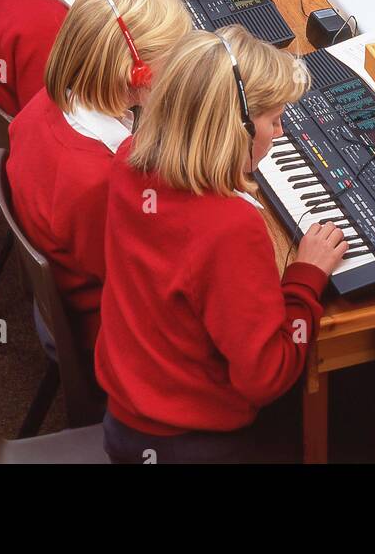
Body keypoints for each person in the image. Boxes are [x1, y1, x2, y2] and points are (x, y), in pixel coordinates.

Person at [94, 25, 347, 463]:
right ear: (237, 127)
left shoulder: (128, 160)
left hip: (126, 419)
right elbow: (265, 376)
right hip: (193, 442)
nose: (281, 133)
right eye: (273, 120)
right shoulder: (230, 229)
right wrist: (305, 281)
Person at [7, 0, 192, 349]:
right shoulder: (101, 177)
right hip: (108, 332)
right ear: (138, 75)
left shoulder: (47, 101)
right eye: (174, 63)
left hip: (75, 290)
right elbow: (149, 283)